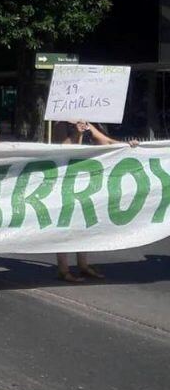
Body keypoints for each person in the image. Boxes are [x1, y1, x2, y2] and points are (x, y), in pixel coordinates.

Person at [54, 120, 138, 282]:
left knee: (83, 222)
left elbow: (105, 141)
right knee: (65, 223)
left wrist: (126, 145)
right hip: (67, 179)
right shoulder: (60, 124)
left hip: (85, 177)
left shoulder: (87, 123)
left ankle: (83, 265)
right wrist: (76, 133)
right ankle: (63, 269)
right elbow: (61, 149)